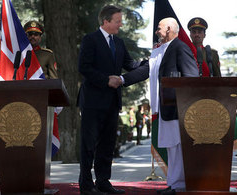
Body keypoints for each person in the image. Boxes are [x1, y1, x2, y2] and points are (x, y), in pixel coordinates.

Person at [120, 17, 199, 195]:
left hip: (177, 108)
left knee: (178, 146)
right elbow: (146, 71)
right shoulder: (160, 50)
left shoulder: (179, 47)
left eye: (159, 28)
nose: (156, 31)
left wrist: (184, 103)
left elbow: (191, 77)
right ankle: (173, 183)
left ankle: (178, 186)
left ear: (169, 29)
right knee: (171, 146)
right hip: (165, 107)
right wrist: (123, 79)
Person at [77, 5, 146, 195]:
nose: (120, 25)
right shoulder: (90, 40)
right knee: (89, 145)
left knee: (107, 145)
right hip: (92, 101)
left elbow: (130, 64)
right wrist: (106, 80)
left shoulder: (119, 43)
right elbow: (84, 67)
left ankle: (103, 182)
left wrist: (150, 61)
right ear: (105, 21)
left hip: (112, 102)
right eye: (117, 21)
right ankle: (85, 184)